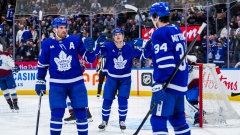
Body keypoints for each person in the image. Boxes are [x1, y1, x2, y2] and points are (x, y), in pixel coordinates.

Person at [135, 2, 191, 134]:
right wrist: (149, 45)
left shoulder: (159, 33)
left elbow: (166, 63)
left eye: (152, 17)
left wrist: (159, 83)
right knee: (178, 119)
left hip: (168, 85)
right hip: (180, 83)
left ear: (156, 17)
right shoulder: (176, 29)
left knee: (157, 120)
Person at [35, 17, 96, 135]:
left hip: (76, 83)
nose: (64, 30)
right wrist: (40, 79)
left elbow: (90, 59)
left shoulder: (75, 40)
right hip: (57, 84)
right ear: (54, 29)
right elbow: (43, 64)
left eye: (65, 28)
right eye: (61, 28)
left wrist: (90, 50)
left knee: (81, 113)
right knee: (56, 114)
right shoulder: (47, 43)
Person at [95, 28, 143, 132]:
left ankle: (122, 121)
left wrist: (142, 46)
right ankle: (104, 121)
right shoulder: (108, 46)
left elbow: (142, 55)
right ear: (113, 37)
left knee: (123, 100)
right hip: (111, 78)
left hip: (125, 79)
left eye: (120, 34)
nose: (118, 36)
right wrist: (97, 44)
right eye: (115, 34)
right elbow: (96, 52)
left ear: (123, 36)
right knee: (107, 100)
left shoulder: (129, 47)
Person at [0, 44, 20, 112]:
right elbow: (10, 62)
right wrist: (14, 66)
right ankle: (15, 104)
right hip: (7, 74)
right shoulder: (6, 54)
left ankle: (10, 104)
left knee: (5, 91)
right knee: (12, 90)